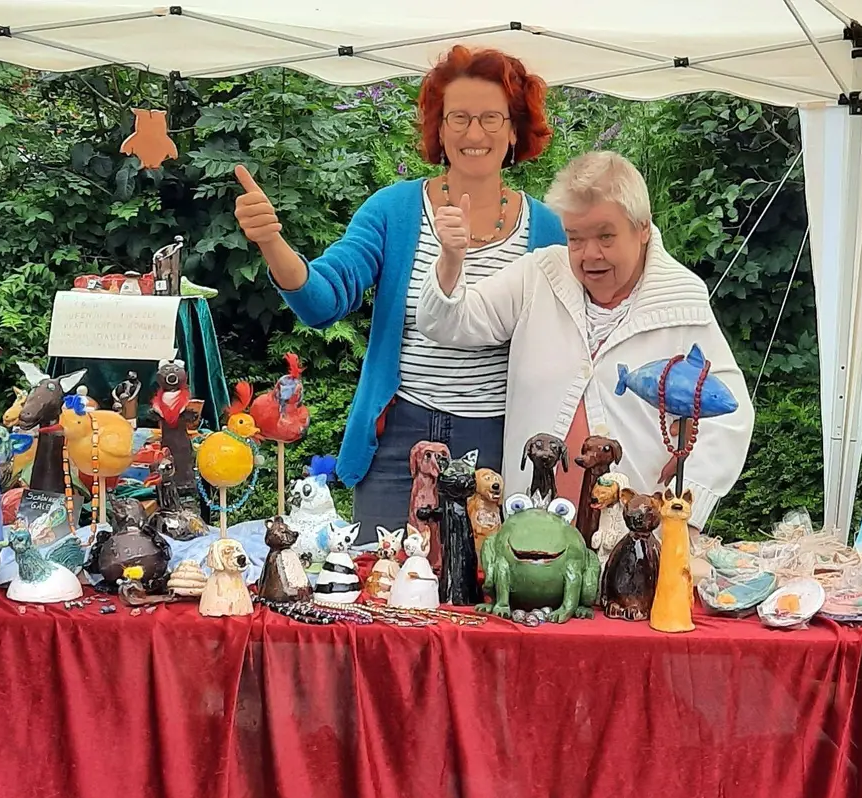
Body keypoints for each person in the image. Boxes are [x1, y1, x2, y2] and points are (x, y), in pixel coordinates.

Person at [233, 46, 564, 533]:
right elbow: (323, 300)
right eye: (458, 118)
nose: (474, 133)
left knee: (482, 577)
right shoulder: (393, 211)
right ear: (439, 129)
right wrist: (271, 242)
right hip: (397, 440)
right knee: (382, 573)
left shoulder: (548, 230)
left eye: (492, 118)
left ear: (515, 129)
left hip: (500, 440)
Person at [417, 151, 754, 534]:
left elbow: (730, 415)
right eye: (575, 238)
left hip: (632, 538)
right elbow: (446, 323)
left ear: (642, 228)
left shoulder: (679, 298)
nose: (590, 254)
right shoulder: (539, 274)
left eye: (605, 236)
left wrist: (687, 505)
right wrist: (451, 260)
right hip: (529, 537)